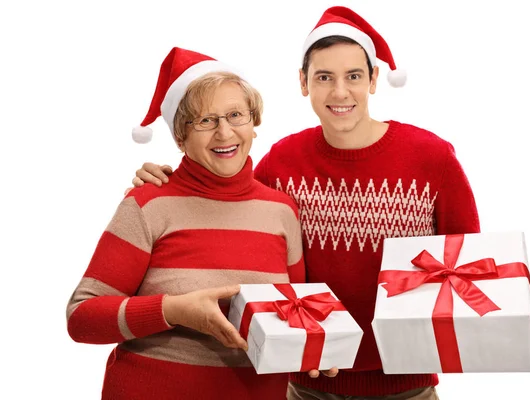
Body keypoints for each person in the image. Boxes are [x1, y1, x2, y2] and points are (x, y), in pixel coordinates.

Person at [131, 6, 480, 400]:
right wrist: (167, 182)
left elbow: (471, 266)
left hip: (408, 383)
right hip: (305, 383)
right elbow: (225, 208)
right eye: (324, 77)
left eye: (353, 76)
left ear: (374, 80)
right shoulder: (281, 162)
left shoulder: (432, 159)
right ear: (303, 82)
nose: (340, 92)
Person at [66, 47, 308, 400]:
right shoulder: (149, 203)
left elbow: (293, 316)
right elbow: (82, 317)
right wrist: (173, 310)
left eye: (235, 115)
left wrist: (315, 352)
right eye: (205, 121)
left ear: (254, 123)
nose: (224, 133)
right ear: (180, 137)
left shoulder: (281, 211)